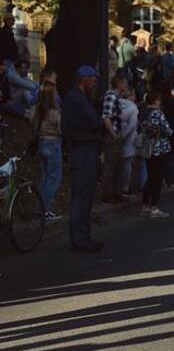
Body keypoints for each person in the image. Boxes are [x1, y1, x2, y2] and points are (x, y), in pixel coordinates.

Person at [61, 66, 104, 251]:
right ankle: (80, 238)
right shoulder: (76, 99)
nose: (94, 82)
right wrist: (99, 125)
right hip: (82, 149)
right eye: (92, 79)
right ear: (84, 78)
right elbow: (93, 121)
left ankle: (83, 236)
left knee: (84, 195)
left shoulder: (78, 98)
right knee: (81, 195)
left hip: (84, 148)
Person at [31, 70, 62, 221]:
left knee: (44, 177)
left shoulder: (38, 111)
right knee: (53, 178)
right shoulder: (54, 112)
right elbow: (62, 129)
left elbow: (32, 123)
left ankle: (40, 207)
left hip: (42, 142)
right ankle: (45, 209)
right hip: (53, 143)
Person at [140, 91, 173, 218]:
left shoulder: (142, 112)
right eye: (158, 100)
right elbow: (167, 130)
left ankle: (144, 205)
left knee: (150, 176)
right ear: (155, 100)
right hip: (159, 147)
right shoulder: (157, 113)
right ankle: (154, 206)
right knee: (157, 177)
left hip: (147, 147)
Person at [101, 74, 127, 204]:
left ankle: (117, 192)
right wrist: (113, 134)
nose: (125, 85)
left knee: (118, 165)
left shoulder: (117, 97)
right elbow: (106, 117)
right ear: (119, 83)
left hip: (117, 134)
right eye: (124, 82)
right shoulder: (111, 97)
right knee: (110, 165)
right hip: (113, 136)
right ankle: (107, 195)